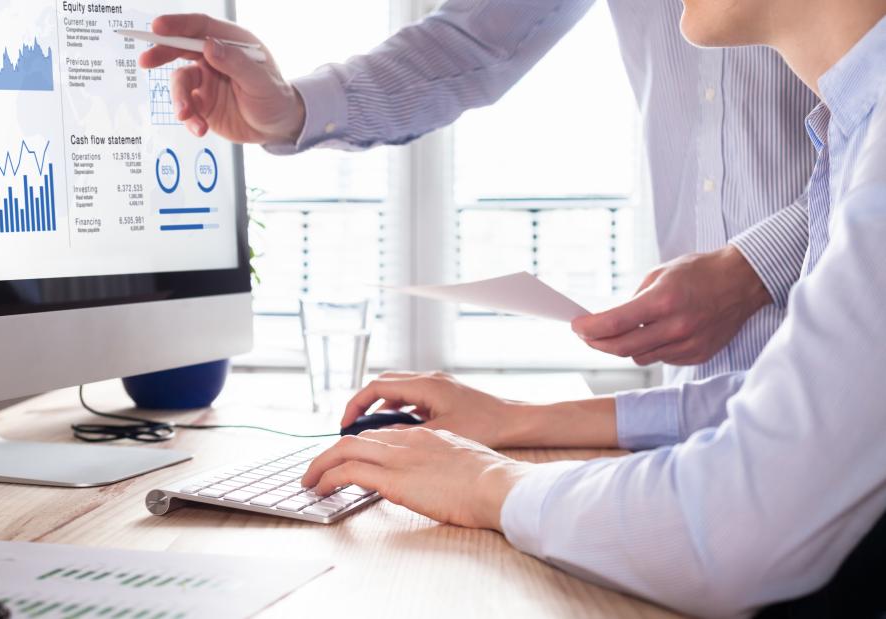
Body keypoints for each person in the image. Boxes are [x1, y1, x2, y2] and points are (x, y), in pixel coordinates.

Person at [295, 1, 886, 615]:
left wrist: (485, 483)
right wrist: (519, 420)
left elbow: (738, 526)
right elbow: (791, 402)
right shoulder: (854, 132)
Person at [141, 0, 817, 387]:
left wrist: (756, 268)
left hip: (849, 377)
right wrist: (289, 108)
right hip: (700, 399)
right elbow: (472, 44)